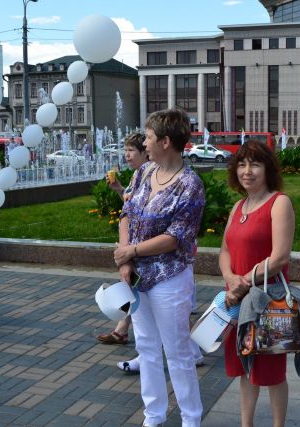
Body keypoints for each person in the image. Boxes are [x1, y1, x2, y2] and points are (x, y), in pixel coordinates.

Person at [114, 109, 204, 427]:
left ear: (166, 142)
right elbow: (126, 212)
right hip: (137, 274)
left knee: (176, 351)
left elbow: (175, 238)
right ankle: (153, 416)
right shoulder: (144, 172)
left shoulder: (190, 185)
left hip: (169, 278)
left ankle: (191, 419)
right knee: (146, 347)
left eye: (149, 137)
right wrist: (126, 258)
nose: (145, 142)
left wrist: (131, 251)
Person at [220, 139, 295, 427]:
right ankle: (246, 424)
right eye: (241, 164)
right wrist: (230, 279)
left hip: (268, 300)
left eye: (255, 164)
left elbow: (279, 258)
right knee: (244, 365)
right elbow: (225, 250)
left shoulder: (279, 203)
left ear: (268, 169)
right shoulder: (239, 206)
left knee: (272, 369)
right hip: (236, 300)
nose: (247, 171)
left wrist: (244, 281)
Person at [97, 132, 150, 347]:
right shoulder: (138, 175)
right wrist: (119, 189)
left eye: (131, 151)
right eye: (125, 151)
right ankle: (122, 330)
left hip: (142, 248)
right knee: (135, 289)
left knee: (144, 293)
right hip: (133, 246)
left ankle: (192, 347)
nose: (126, 155)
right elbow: (129, 208)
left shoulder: (148, 176)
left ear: (145, 153)